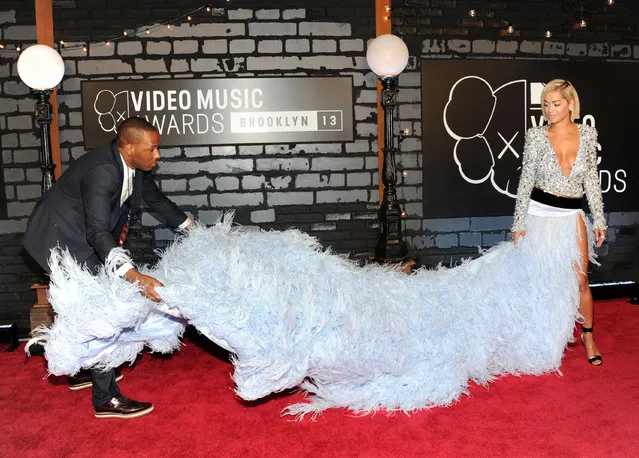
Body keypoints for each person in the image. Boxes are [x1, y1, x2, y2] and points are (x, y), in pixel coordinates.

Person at [24, 116, 194, 418]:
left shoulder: (135, 167)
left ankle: (82, 370)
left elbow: (157, 201)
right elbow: (98, 233)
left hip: (79, 235)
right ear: (129, 148)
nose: (157, 155)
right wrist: (134, 276)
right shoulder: (103, 171)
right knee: (103, 307)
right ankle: (106, 399)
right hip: (58, 236)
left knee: (91, 307)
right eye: (152, 149)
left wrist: (193, 228)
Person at [512, 79, 606, 366]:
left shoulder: (588, 135)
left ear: (570, 104)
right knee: (541, 280)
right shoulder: (536, 136)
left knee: (580, 279)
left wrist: (600, 218)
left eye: (556, 104)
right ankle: (541, 335)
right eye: (546, 105)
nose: (550, 110)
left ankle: (588, 335)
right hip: (539, 214)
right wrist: (518, 223)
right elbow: (526, 179)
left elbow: (591, 179)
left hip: (571, 214)